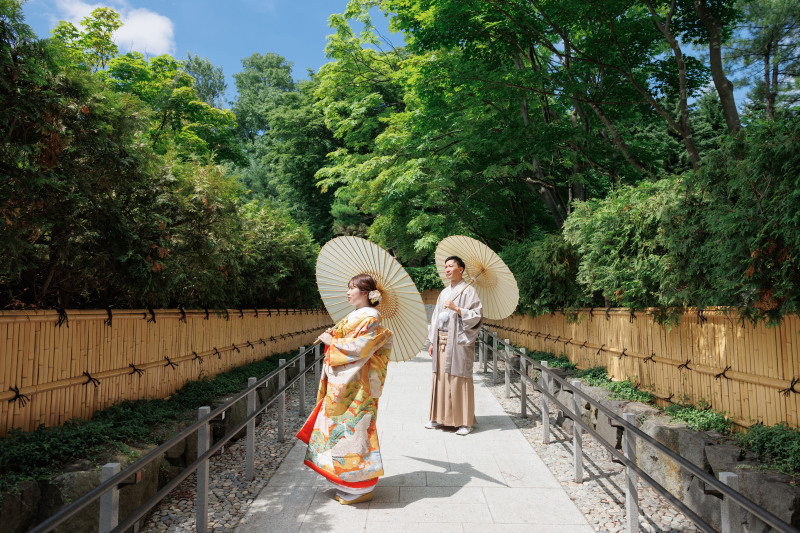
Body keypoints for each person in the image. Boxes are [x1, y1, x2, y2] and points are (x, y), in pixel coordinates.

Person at [296, 274, 393, 505]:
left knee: (356, 429)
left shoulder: (371, 317)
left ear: (368, 293)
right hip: (348, 380)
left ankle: (362, 486)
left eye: (353, 288)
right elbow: (352, 340)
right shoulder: (358, 315)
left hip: (358, 383)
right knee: (341, 427)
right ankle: (348, 480)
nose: (348, 292)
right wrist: (336, 333)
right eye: (348, 288)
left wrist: (333, 342)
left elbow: (362, 348)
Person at [426, 255, 483, 435]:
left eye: (451, 266)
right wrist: (432, 341)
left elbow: (477, 316)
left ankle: (464, 422)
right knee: (441, 378)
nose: (448, 269)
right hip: (441, 340)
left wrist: (458, 309)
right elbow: (436, 317)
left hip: (458, 341)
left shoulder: (469, 291)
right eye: (446, 267)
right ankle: (440, 418)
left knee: (458, 378)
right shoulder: (444, 293)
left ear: (461, 269)